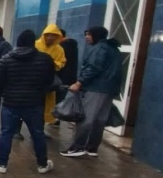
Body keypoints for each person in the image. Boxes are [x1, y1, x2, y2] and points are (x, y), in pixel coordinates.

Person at [0, 29, 55, 174]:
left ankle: (2, 164)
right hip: (34, 102)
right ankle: (42, 164)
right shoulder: (45, 59)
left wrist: (6, 94)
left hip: (10, 102)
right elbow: (49, 81)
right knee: (37, 133)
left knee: (6, 133)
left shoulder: (6, 59)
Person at [61, 26, 122, 158]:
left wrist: (79, 82)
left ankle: (78, 147)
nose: (86, 37)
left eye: (89, 34)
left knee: (86, 118)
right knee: (100, 120)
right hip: (109, 89)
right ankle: (92, 148)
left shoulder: (100, 48)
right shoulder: (113, 48)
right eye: (86, 34)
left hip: (96, 88)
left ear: (97, 35)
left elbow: (93, 67)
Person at [35, 24, 66, 123]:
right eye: (48, 35)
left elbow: (61, 62)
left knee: (45, 105)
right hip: (33, 79)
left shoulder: (59, 49)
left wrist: (51, 65)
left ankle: (40, 129)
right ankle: (17, 130)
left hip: (48, 82)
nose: (50, 37)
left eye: (53, 35)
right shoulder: (35, 45)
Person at [57, 28, 79, 105]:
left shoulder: (63, 47)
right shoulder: (71, 45)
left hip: (62, 81)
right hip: (68, 81)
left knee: (60, 105)